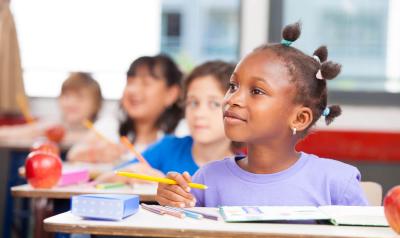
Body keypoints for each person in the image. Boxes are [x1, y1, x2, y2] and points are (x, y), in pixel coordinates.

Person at [155, 22, 368, 208]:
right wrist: (172, 202)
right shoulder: (206, 179)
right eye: (233, 86)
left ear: (299, 118)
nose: (232, 99)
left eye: (257, 91)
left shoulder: (338, 184)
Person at [96, 61, 241, 182]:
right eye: (193, 103)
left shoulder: (246, 163)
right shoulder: (168, 147)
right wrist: (134, 172)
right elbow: (104, 179)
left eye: (214, 104)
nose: (199, 114)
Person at [67, 54, 184, 163]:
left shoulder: (182, 132)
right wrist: (95, 154)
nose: (133, 90)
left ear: (171, 94)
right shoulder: (112, 125)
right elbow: (72, 155)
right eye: (130, 82)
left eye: (146, 83)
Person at [0, 72, 102, 144]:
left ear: (96, 104)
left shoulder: (102, 127)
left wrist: (60, 137)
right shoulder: (53, 125)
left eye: (80, 98)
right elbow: (18, 132)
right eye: (66, 96)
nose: (70, 103)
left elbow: (97, 139)